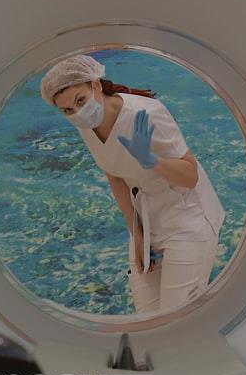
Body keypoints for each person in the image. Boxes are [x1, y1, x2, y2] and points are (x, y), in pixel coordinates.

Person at [40, 54, 225, 314]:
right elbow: (114, 175)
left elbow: (190, 176)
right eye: (67, 110)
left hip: (186, 219)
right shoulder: (85, 124)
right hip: (147, 221)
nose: (78, 112)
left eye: (80, 100)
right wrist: (137, 234)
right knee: (146, 318)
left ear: (95, 84)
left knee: (176, 320)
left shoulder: (146, 114)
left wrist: (150, 160)